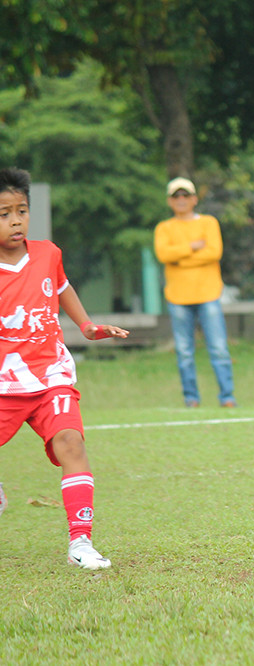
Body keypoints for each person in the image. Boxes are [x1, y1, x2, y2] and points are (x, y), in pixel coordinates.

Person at [0, 167, 130, 569]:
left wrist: (88, 327)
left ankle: (81, 542)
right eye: (4, 213)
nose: (16, 220)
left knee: (71, 443)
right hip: (5, 383)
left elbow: (61, 288)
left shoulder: (48, 253)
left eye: (22, 210)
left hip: (51, 375)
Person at [154, 177, 236, 408]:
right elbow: (163, 255)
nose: (181, 200)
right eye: (176, 196)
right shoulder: (164, 228)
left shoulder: (209, 223)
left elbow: (214, 252)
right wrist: (192, 247)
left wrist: (180, 259)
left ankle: (227, 396)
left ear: (194, 199)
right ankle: (191, 398)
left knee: (218, 348)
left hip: (208, 294)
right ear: (170, 201)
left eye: (185, 195)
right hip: (178, 297)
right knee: (184, 351)